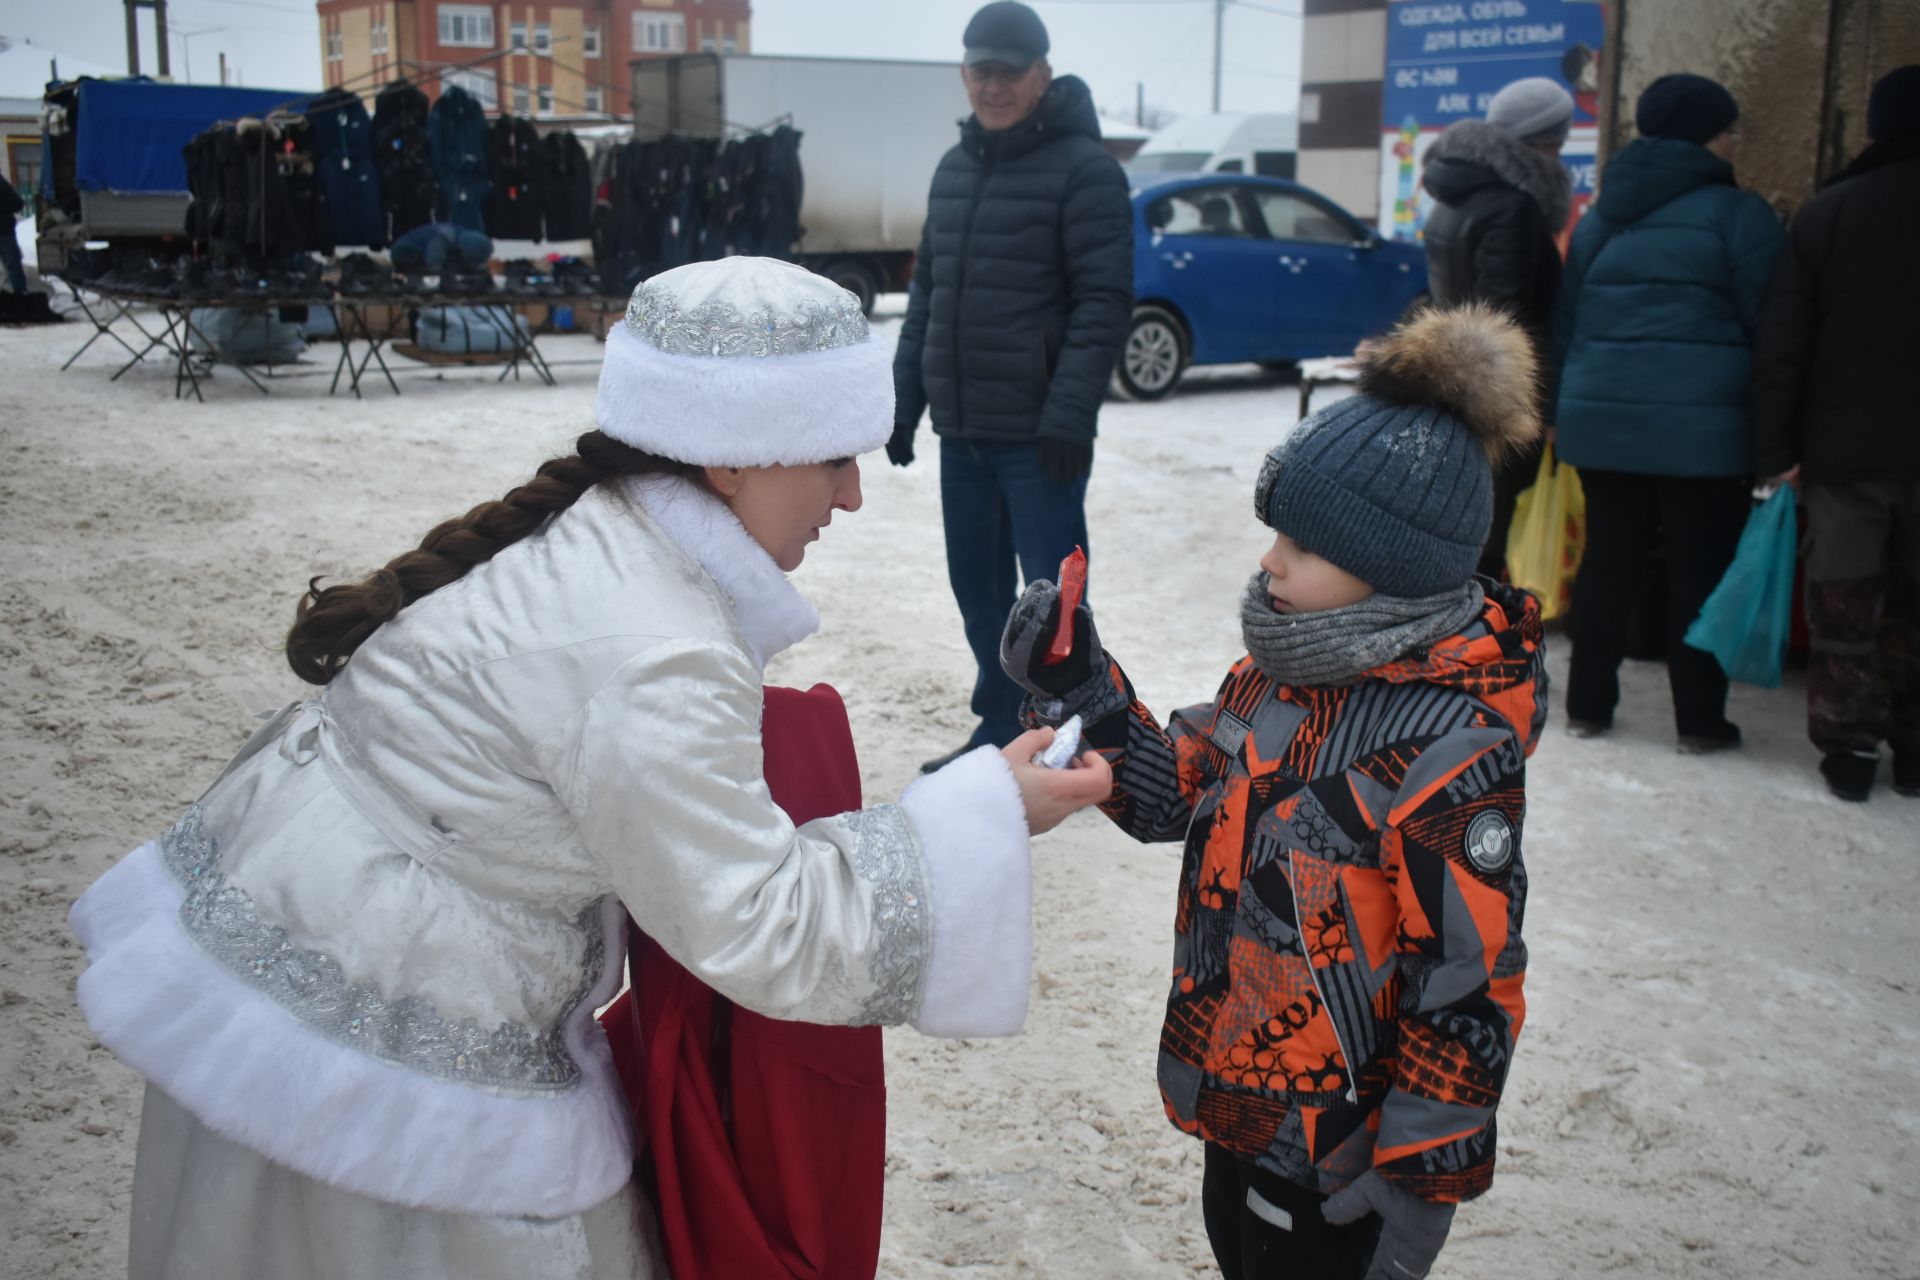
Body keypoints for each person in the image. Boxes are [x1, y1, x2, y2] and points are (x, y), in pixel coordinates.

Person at [67, 256, 1112, 1280]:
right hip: (391, 1007)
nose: (852, 495)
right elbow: (759, 920)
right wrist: (980, 812)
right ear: (734, 455)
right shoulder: (659, 646)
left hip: (300, 921)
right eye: (834, 455)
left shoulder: (610, 528)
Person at [999, 305, 1543, 1280]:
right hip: (1238, 1110)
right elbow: (1176, 792)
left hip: (1345, 1164)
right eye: (1276, 530)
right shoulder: (1280, 679)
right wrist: (1082, 680)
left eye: (1304, 542)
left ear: (1396, 569)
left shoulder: (1450, 746)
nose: (1270, 559)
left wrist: (1420, 1182)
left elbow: (1469, 982)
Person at [889, 0, 1133, 772]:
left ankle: (1075, 729)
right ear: (965, 75)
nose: (992, 86)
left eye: (1008, 72)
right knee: (979, 594)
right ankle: (1002, 725)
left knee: (1054, 603)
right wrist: (902, 399)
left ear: (1040, 77)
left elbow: (1104, 300)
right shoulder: (953, 171)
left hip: (1038, 439)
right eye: (980, 71)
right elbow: (929, 294)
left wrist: (1070, 413)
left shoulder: (1086, 170)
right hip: (963, 432)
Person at [1551, 74, 1783, 752]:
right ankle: (1700, 723)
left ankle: (1587, 707)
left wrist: (1560, 411)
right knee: (1698, 570)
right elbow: (1769, 327)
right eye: (1732, 131)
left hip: (1602, 424)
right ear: (1711, 136)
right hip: (1702, 432)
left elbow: (1566, 324)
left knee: (1607, 565)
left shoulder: (1600, 216)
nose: (1736, 143)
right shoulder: (1740, 215)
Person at [1750, 65, 1920, 802]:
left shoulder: (1830, 213)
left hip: (1846, 454)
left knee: (1845, 602)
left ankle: (1848, 750)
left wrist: (1775, 451)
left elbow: (1783, 346)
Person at [1420, 75, 1575, 577]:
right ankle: (1481, 628)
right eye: (1557, 143)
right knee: (1491, 529)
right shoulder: (1512, 208)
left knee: (1467, 519)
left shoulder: (1455, 195)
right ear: (1544, 143)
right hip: (1498, 395)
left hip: (1460, 382)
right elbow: (1504, 316)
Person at [0, 170, 28, 294]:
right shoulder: (2, 184)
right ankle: (20, 295)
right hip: (5, 231)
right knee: (13, 264)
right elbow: (18, 204)